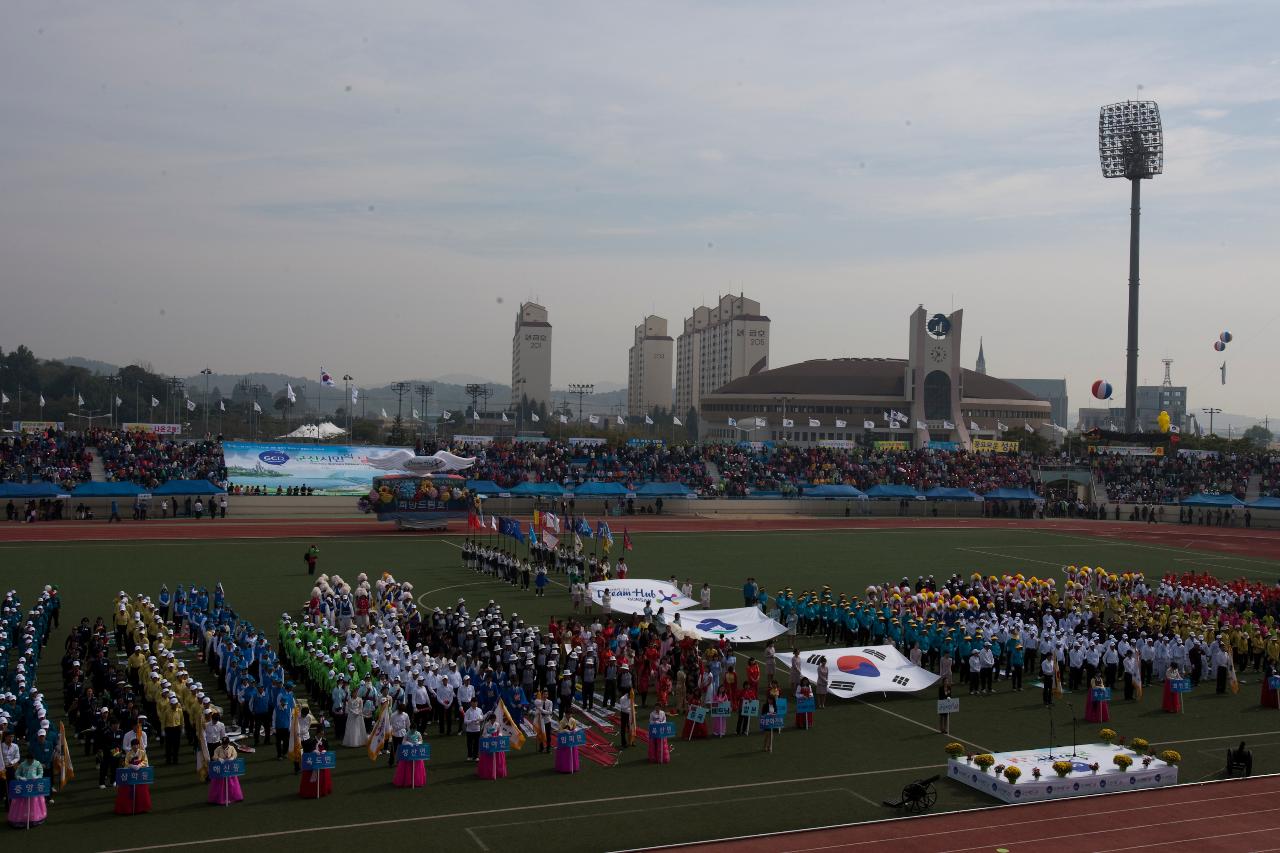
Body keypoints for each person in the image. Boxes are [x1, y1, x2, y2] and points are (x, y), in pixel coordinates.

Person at [6, 752, 47, 829]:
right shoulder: (22, 764)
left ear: (33, 759)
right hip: (24, 786)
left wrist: (37, 777)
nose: (30, 761)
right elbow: (17, 773)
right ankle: (21, 819)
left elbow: (41, 773)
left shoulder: (37, 763)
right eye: (29, 760)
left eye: (31, 760)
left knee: (34, 802)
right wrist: (20, 778)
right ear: (27, 759)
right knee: (22, 802)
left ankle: (34, 818)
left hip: (34, 786)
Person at [114, 744, 152, 815]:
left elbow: (145, 762)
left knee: (141, 790)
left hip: (140, 773)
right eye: (134, 745)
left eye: (137, 745)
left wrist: (139, 765)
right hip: (130, 773)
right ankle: (127, 809)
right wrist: (131, 766)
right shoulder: (128, 753)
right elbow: (125, 763)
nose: (135, 747)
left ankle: (141, 808)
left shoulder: (142, 752)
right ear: (132, 746)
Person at [208, 737, 244, 805]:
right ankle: (219, 798)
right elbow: (214, 756)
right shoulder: (218, 748)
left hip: (229, 768)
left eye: (226, 744)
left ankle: (233, 797)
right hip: (221, 769)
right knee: (219, 785)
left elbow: (235, 754)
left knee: (232, 783)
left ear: (228, 743)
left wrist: (232, 758)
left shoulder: (231, 748)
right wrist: (218, 758)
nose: (224, 745)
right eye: (223, 744)